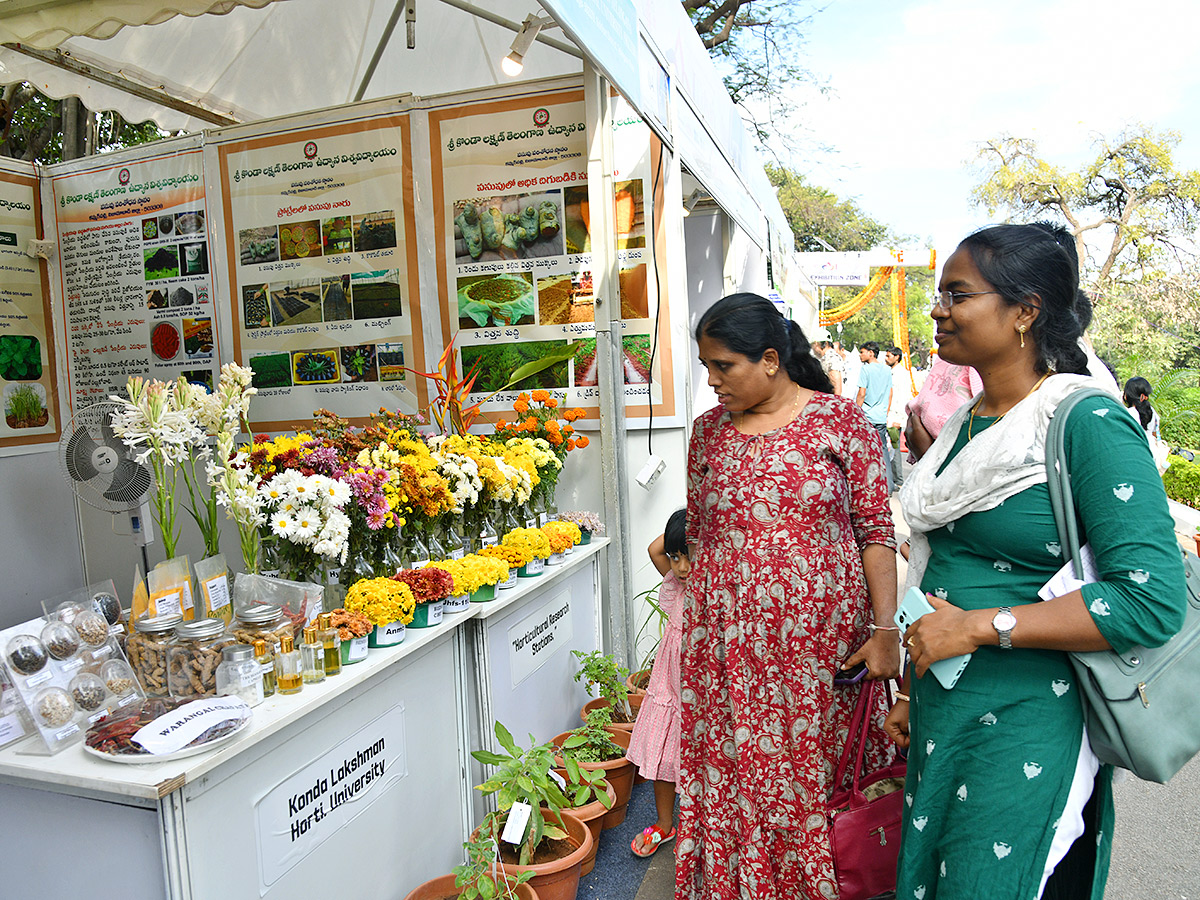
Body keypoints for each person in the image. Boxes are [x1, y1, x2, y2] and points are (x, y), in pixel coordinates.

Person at [885, 222, 1186, 900]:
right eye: (939, 295)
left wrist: (977, 626)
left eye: (957, 294)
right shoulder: (965, 424)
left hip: (1030, 718)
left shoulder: (1081, 422)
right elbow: (931, 560)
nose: (938, 310)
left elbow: (1151, 598)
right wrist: (910, 686)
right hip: (945, 706)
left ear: (1025, 311)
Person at [679, 292, 900, 900]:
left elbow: (876, 532)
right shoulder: (706, 435)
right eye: (706, 367)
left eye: (724, 366)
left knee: (811, 775)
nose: (713, 380)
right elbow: (700, 534)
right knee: (741, 775)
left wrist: (887, 635)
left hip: (817, 654)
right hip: (728, 656)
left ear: (771, 359)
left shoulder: (840, 422)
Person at [627, 509, 688, 857]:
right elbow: (655, 548)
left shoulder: (717, 591)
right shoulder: (676, 585)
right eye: (676, 557)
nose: (680, 567)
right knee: (664, 755)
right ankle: (665, 825)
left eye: (688, 557)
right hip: (669, 686)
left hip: (699, 694)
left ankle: (707, 828)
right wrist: (690, 521)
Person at [856, 341, 894, 492]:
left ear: (871, 353)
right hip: (880, 417)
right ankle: (889, 486)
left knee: (863, 451)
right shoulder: (886, 370)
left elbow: (862, 393)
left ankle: (865, 487)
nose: (860, 355)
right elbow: (890, 393)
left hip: (866, 416)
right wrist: (885, 411)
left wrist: (856, 412)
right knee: (883, 450)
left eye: (862, 352)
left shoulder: (865, 370)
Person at [1122, 376, 1169, 473]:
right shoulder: (1152, 412)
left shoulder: (1128, 413)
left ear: (1127, 396)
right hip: (1152, 454)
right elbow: (1155, 433)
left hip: (1136, 456)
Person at [885, 345, 913, 488]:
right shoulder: (888, 372)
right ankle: (891, 480)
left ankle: (898, 480)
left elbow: (903, 397)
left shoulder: (902, 374)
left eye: (889, 356)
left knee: (894, 450)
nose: (886, 359)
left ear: (896, 357)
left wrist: (899, 419)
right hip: (888, 415)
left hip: (895, 416)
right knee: (888, 449)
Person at [811, 327, 843, 395]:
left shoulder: (831, 358)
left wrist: (834, 404)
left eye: (813, 345)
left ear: (817, 344)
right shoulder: (828, 358)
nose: (812, 349)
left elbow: (837, 388)